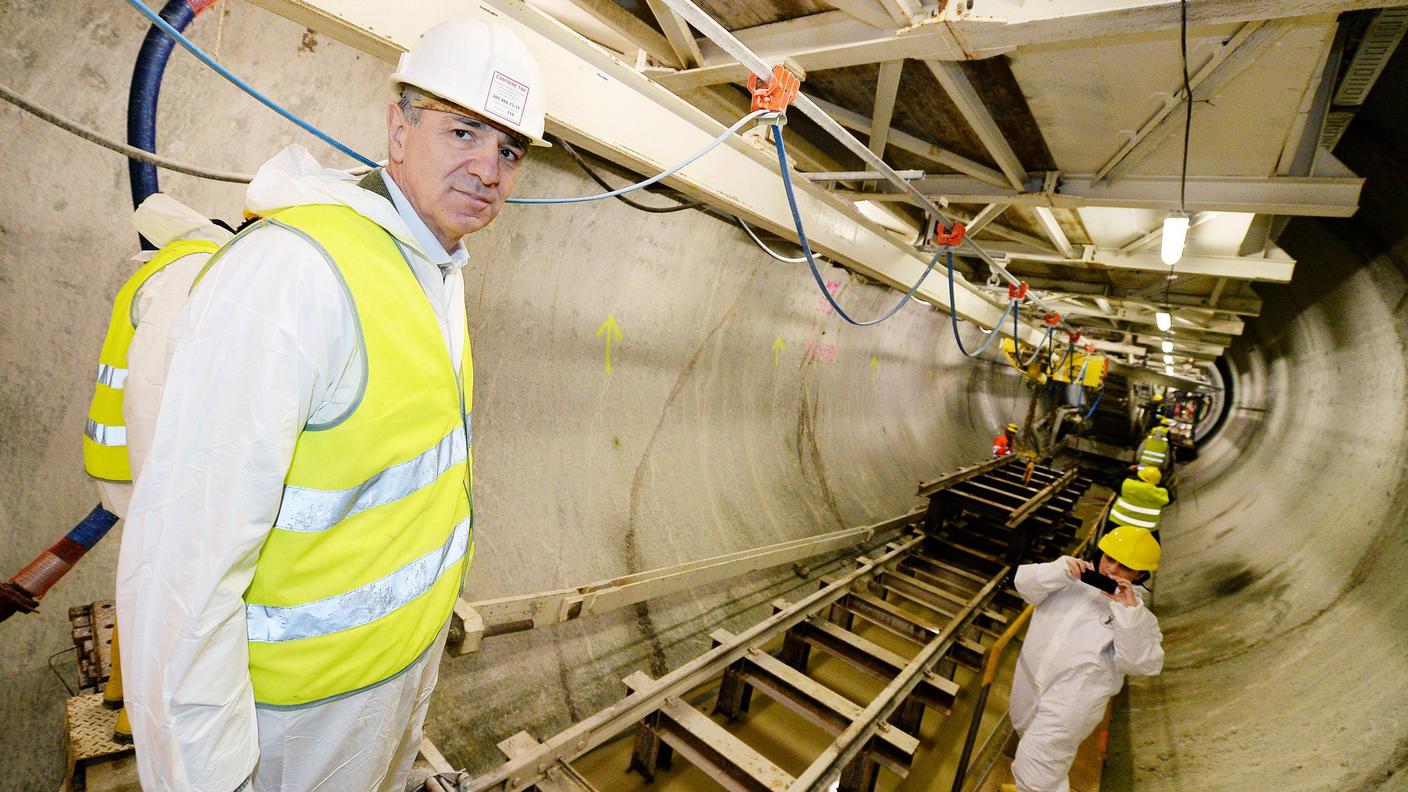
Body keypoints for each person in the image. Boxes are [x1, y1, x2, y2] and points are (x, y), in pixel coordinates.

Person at [115, 19, 548, 792]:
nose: (488, 168)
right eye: (463, 131)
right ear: (398, 125)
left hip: (394, 675)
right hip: (296, 711)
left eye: (509, 150)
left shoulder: (433, 266)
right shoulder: (295, 274)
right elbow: (183, 566)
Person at [81, 195, 233, 742]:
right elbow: (149, 390)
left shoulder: (169, 263)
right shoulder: (195, 269)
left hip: (124, 456)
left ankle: (122, 690)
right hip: (141, 462)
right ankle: (139, 718)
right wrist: (165, 486)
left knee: (141, 576)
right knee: (161, 586)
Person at [1002, 526, 1164, 792]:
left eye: (1125, 567)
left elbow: (1142, 663)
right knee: (1034, 754)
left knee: (1036, 773)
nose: (1111, 570)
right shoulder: (1070, 580)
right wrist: (1058, 569)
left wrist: (1128, 612)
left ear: (1140, 575)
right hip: (1031, 682)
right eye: (1109, 558)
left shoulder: (1136, 614)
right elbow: (1023, 584)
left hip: (1072, 701)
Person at [1108, 465, 1170, 541]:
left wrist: (1129, 470)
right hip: (1146, 531)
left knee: (1106, 546)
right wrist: (1157, 482)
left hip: (1118, 525)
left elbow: (1111, 479)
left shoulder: (1127, 486)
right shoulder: (1161, 494)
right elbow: (1170, 498)